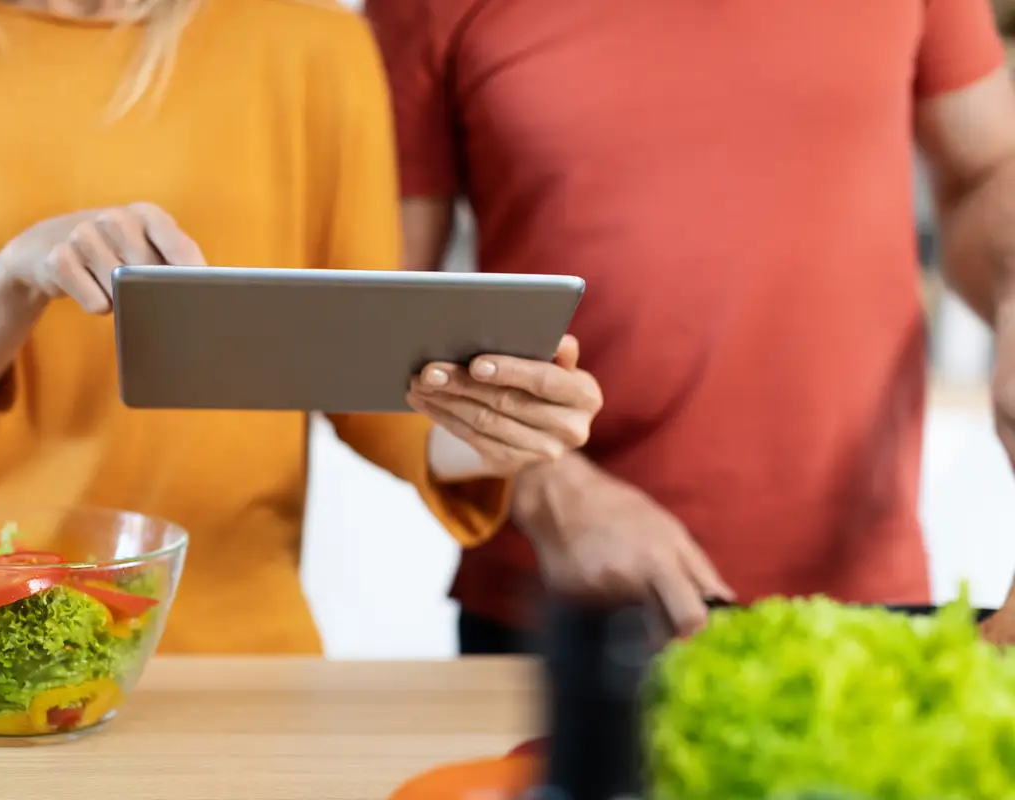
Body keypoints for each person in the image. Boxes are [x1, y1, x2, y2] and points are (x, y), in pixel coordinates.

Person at [0, 0, 604, 655]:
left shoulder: (310, 44)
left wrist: (494, 426)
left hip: (226, 647)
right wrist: (17, 273)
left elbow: (367, 388)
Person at [365, 0, 1015, 653]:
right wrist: (546, 490)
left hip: (865, 603)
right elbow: (377, 319)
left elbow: (987, 168)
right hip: (567, 614)